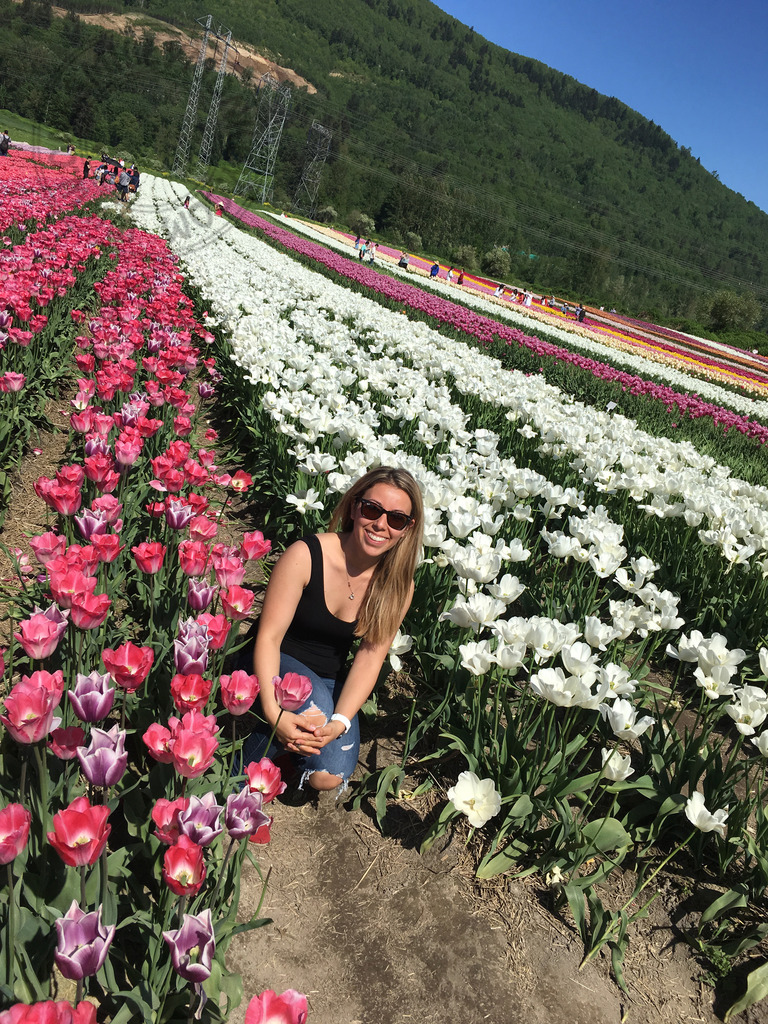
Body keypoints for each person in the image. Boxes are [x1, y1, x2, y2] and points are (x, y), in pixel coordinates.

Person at [245, 467, 424, 796]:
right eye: (372, 509)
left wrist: (340, 720)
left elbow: (371, 659)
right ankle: (235, 780)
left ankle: (285, 754)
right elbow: (268, 637)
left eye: (396, 519)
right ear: (355, 508)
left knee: (329, 776)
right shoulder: (306, 555)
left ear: (407, 528)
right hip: (273, 660)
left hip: (327, 678)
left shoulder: (398, 585)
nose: (381, 525)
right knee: (311, 718)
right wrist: (273, 711)